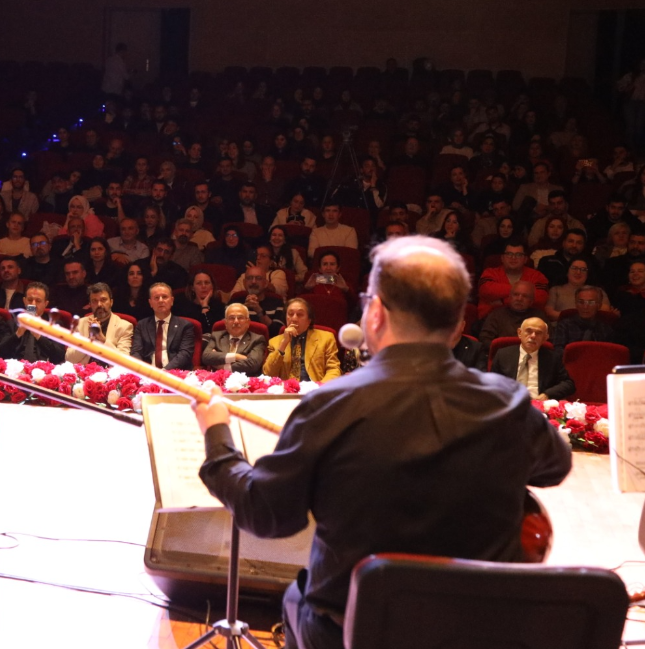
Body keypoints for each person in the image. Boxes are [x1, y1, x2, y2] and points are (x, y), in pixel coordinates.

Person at [194, 235, 572, 649]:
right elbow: (555, 465)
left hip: (352, 632)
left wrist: (217, 435)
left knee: (295, 598)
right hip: (475, 634)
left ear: (374, 313)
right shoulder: (508, 403)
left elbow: (265, 513)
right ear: (456, 324)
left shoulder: (331, 405)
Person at [490, 317, 575, 400]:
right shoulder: (503, 355)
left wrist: (547, 394)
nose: (533, 336)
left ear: (545, 338)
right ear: (519, 333)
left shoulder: (553, 358)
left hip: (539, 404)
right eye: (529, 331)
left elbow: (568, 384)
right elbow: (491, 383)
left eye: (538, 333)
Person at [261, 297, 340, 382]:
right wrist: (283, 344)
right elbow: (268, 374)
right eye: (290, 314)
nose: (294, 319)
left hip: (315, 387)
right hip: (286, 388)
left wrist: (321, 387)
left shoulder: (326, 338)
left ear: (309, 320)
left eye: (300, 314)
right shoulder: (275, 342)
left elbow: (333, 369)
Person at [130, 282, 196, 370]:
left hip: (175, 373)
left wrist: (164, 372)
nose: (161, 300)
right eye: (156, 298)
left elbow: (185, 354)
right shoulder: (142, 325)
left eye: (164, 297)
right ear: (150, 303)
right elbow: (136, 352)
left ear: (172, 301)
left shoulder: (185, 326)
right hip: (148, 372)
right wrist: (143, 370)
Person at [65, 282, 134, 364]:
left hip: (110, 371)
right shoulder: (80, 324)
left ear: (111, 302)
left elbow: (124, 362)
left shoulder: (124, 327)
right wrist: (88, 341)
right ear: (90, 304)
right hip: (84, 370)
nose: (99, 304)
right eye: (94, 301)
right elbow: (69, 358)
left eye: (103, 300)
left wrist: (102, 339)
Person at [477, 243, 548, 319]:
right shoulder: (490, 273)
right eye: (509, 254)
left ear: (525, 259)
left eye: (518, 255)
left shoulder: (537, 276)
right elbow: (485, 290)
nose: (513, 258)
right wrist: (523, 296)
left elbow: (540, 299)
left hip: (528, 321)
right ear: (502, 258)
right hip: (492, 320)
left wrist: (502, 301)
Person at [0, 282, 66, 363]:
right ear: (24, 301)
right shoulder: (13, 322)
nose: (33, 304)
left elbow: (59, 356)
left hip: (43, 368)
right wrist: (18, 334)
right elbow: (0, 352)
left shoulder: (54, 325)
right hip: (16, 366)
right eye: (30, 300)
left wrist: (38, 336)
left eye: (38, 301)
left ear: (46, 303)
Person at [201, 303, 266, 375]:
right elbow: (206, 357)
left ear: (248, 322)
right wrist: (236, 356)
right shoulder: (217, 336)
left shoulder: (257, 339)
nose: (236, 321)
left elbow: (253, 364)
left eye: (240, 318)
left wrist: (224, 367)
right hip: (217, 379)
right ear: (226, 323)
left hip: (245, 380)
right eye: (231, 318)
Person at [478, 281, 547, 350]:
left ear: (531, 301)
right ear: (509, 297)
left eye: (525, 296)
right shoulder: (496, 314)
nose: (519, 299)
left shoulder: (539, 317)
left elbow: (548, 341)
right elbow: (484, 339)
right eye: (516, 294)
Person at [551, 286, 616, 351]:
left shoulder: (605, 329)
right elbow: (557, 351)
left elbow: (609, 354)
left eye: (591, 302)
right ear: (576, 304)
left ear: (599, 305)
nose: (585, 307)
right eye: (581, 302)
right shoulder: (564, 326)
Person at [544, 258, 610, 321]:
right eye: (574, 268)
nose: (578, 272)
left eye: (583, 269)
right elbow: (550, 314)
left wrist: (566, 315)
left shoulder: (598, 291)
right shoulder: (555, 290)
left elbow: (604, 313)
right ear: (567, 271)